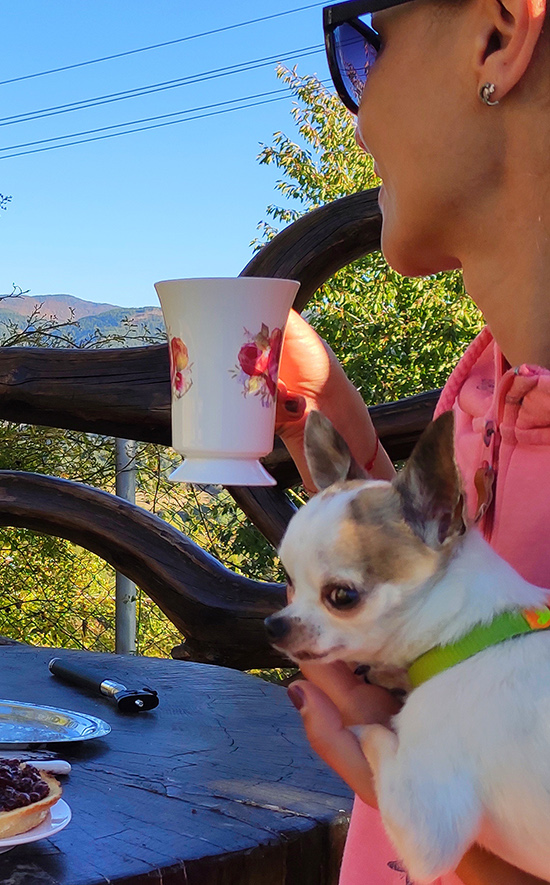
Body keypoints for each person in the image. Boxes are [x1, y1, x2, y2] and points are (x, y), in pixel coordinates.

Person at [276, 1, 550, 882]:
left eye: (362, 48)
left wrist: (390, 771)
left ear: (499, 33)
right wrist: (319, 414)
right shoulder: (484, 383)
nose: (357, 119)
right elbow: (436, 575)